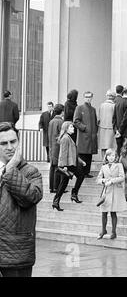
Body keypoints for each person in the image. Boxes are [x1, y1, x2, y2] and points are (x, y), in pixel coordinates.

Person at [0, 122, 43, 277]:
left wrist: (10, 169)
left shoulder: (31, 172)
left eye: (13, 141)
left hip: (16, 254)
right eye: (4, 143)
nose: (10, 147)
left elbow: (31, 197)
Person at [52, 122, 87, 211]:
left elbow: (73, 153)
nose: (73, 128)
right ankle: (73, 194)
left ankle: (56, 201)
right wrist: (63, 166)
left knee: (64, 183)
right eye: (71, 127)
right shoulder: (65, 138)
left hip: (70, 163)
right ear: (66, 128)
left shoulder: (68, 138)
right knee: (79, 176)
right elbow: (63, 153)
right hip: (68, 164)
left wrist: (81, 161)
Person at [96, 149, 127, 240]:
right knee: (104, 212)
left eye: (113, 156)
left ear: (116, 157)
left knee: (113, 212)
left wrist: (112, 181)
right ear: (106, 157)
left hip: (116, 190)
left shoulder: (119, 165)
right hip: (106, 191)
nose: (111, 157)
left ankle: (114, 232)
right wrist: (103, 180)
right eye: (109, 156)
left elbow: (122, 177)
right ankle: (103, 230)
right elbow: (98, 179)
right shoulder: (104, 167)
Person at [74, 91, 98, 178]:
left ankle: (86, 172)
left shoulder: (93, 109)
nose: (88, 98)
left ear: (92, 98)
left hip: (91, 136)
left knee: (89, 155)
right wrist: (84, 128)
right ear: (84, 98)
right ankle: (81, 173)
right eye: (86, 97)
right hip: (83, 136)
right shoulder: (79, 108)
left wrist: (95, 131)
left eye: (89, 97)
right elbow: (76, 121)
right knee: (82, 154)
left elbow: (95, 122)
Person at [113, 86, 127, 154]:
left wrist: (116, 130)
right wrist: (120, 131)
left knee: (119, 151)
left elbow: (114, 118)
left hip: (118, 132)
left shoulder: (117, 102)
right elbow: (126, 119)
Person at [48, 104, 65, 193]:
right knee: (58, 167)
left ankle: (51, 187)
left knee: (52, 166)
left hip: (51, 146)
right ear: (62, 112)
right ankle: (56, 187)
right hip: (58, 147)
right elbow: (61, 136)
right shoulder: (61, 122)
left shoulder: (51, 121)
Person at [98, 90, 117, 158]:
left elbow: (99, 118)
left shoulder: (101, 105)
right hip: (111, 128)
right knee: (111, 146)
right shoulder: (114, 106)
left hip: (102, 127)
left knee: (103, 146)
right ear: (114, 97)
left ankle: (103, 160)